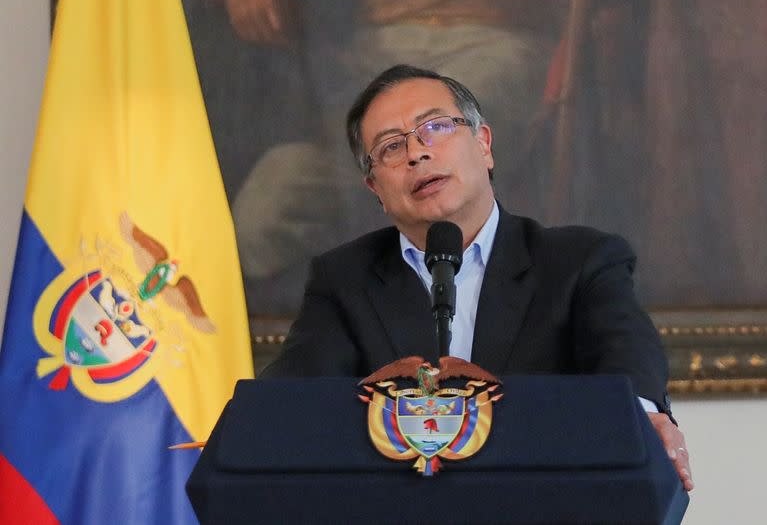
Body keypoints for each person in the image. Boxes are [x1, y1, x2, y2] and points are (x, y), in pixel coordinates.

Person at [260, 64, 693, 492]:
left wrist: (640, 418)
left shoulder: (579, 261)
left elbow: (624, 354)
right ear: (375, 188)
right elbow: (289, 403)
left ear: (483, 145)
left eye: (435, 127)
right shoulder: (345, 280)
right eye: (391, 147)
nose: (416, 153)